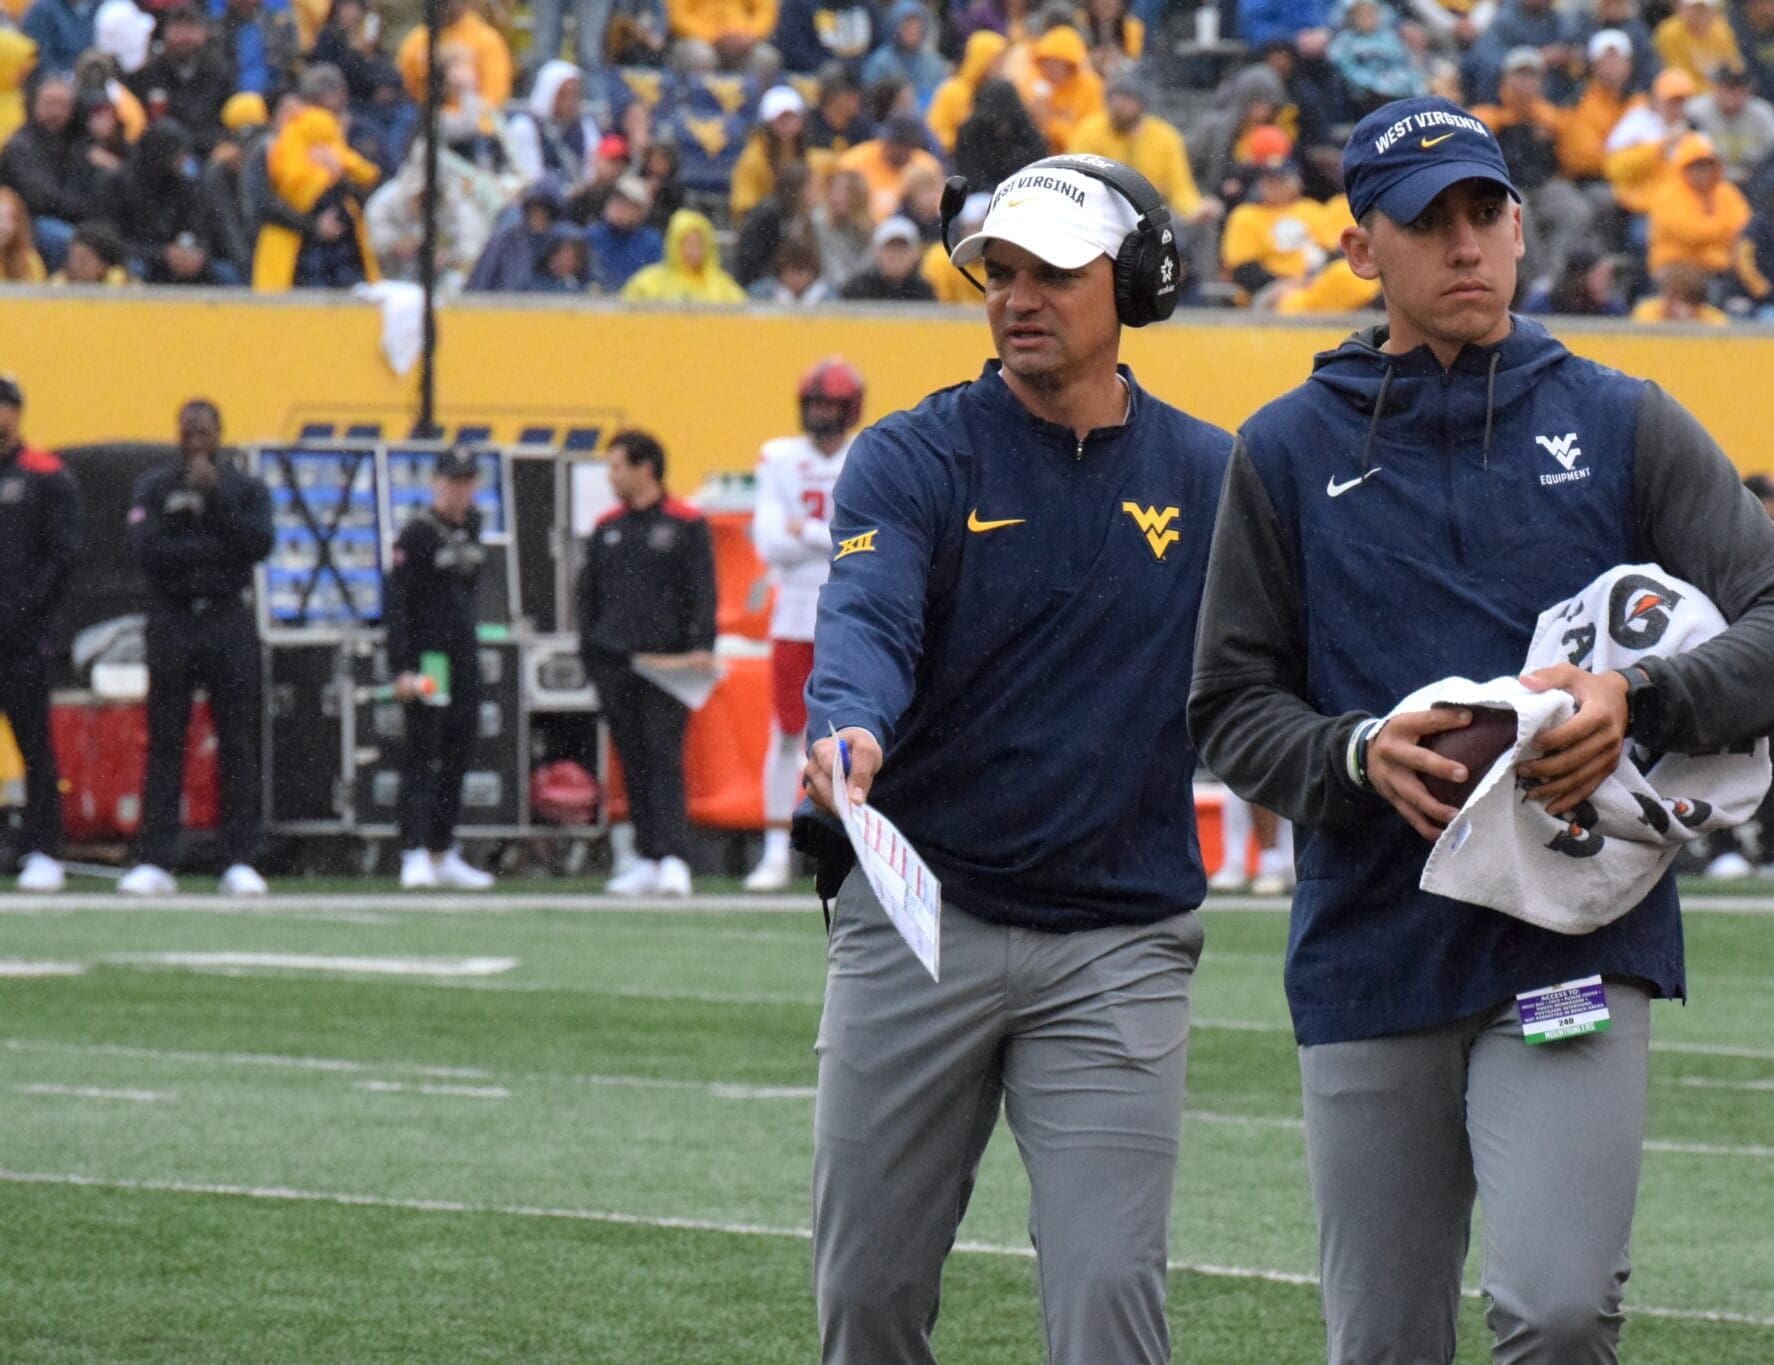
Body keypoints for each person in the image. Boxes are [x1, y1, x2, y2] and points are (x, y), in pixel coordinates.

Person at [1188, 93, 1774, 1364]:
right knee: (1384, 1341)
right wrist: (1353, 754)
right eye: (1425, 221)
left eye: (1482, 213)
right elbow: (1228, 705)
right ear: (1360, 251)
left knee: (1559, 1314)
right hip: (1368, 944)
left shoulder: (1624, 418)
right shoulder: (1281, 450)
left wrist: (1643, 697)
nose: (1462, 245)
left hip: (1571, 940)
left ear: (1518, 229)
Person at [801, 154, 1229, 1365]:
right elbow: (867, 617)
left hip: (1118, 938)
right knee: (867, 1301)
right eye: (999, 270)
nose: (1017, 295)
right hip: (913, 914)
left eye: (1053, 270)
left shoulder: (1214, 476)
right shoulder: (912, 455)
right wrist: (852, 724)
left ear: (1134, 282)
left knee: (1109, 1305)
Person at [121, 401, 274, 897]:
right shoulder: (156, 486)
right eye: (189, 432)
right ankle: (156, 859)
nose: (196, 441)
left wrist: (217, 505)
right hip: (173, 618)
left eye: (205, 432)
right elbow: (147, 550)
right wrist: (208, 551)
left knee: (237, 739)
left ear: (220, 435)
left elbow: (257, 544)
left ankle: (239, 858)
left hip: (227, 619)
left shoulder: (243, 488)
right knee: (166, 739)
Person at [577, 430, 716, 898]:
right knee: (631, 760)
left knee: (664, 757)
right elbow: (588, 596)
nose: (611, 476)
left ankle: (674, 856)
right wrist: (591, 654)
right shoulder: (608, 528)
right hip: (616, 661)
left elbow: (702, 590)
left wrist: (701, 644)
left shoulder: (685, 523)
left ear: (645, 468)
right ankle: (646, 856)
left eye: (617, 466)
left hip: (669, 664)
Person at [742, 357, 863, 891]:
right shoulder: (779, 457)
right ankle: (774, 849)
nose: (821, 416)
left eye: (830, 406)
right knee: (787, 733)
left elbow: (860, 538)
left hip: (850, 611)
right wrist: (828, 536)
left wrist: (808, 531)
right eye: (814, 405)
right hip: (793, 613)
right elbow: (769, 542)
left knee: (854, 735)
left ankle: (856, 846)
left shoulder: (867, 454)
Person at [384, 447, 497, 891]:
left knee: (459, 749)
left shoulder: (474, 527)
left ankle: (441, 847)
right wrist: (402, 668)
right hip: (428, 656)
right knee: (422, 751)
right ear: (436, 483)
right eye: (453, 482)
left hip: (463, 652)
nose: (460, 491)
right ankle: (413, 849)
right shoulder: (416, 535)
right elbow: (399, 606)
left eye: (467, 482)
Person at [0, 376, 83, 894]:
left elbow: (64, 556)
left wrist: (25, 613)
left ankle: (44, 849)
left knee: (36, 746)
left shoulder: (46, 476)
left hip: (21, 637)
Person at [620, 205, 745, 300]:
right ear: (673, 244)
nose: (693, 250)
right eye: (686, 243)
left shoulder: (723, 286)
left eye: (698, 244)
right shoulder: (647, 283)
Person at [837, 212, 935, 298]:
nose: (896, 255)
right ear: (877, 252)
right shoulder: (857, 288)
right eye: (890, 248)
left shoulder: (924, 290)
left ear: (915, 254)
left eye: (902, 248)